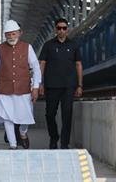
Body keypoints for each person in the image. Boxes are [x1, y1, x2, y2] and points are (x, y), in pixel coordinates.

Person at [0, 20, 41, 150]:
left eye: (13, 34)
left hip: (23, 89)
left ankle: (23, 133)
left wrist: (35, 87)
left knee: (25, 118)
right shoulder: (0, 49)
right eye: (8, 35)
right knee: (7, 117)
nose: (11, 37)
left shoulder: (27, 47)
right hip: (4, 89)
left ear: (19, 33)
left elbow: (35, 67)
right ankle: (13, 145)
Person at [38, 18, 83, 149]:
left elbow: (78, 64)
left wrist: (80, 85)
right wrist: (40, 83)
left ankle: (64, 143)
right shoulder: (48, 45)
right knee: (50, 114)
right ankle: (54, 137)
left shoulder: (74, 45)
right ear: (55, 29)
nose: (61, 30)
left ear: (67, 29)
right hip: (52, 86)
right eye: (59, 28)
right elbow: (42, 64)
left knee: (67, 115)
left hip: (69, 86)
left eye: (64, 28)